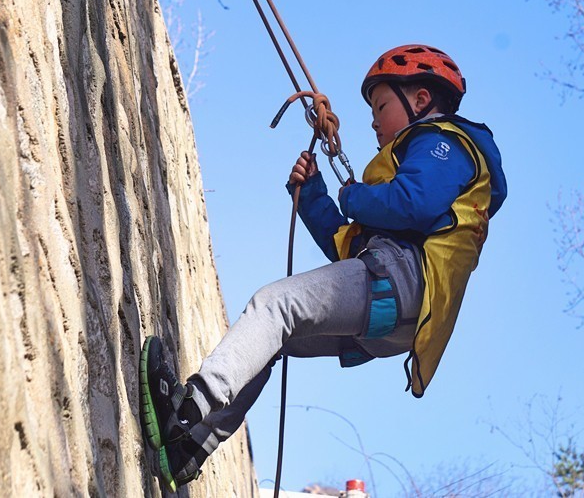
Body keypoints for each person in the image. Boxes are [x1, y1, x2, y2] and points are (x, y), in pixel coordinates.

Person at [139, 45, 508, 491]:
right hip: (396, 319)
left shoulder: (441, 143)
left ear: (422, 101)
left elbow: (412, 203)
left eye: (381, 105)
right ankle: (188, 448)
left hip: (401, 282)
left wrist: (352, 197)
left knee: (274, 305)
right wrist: (313, 196)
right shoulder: (418, 185)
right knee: (271, 340)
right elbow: (350, 250)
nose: (373, 120)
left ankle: (187, 407)